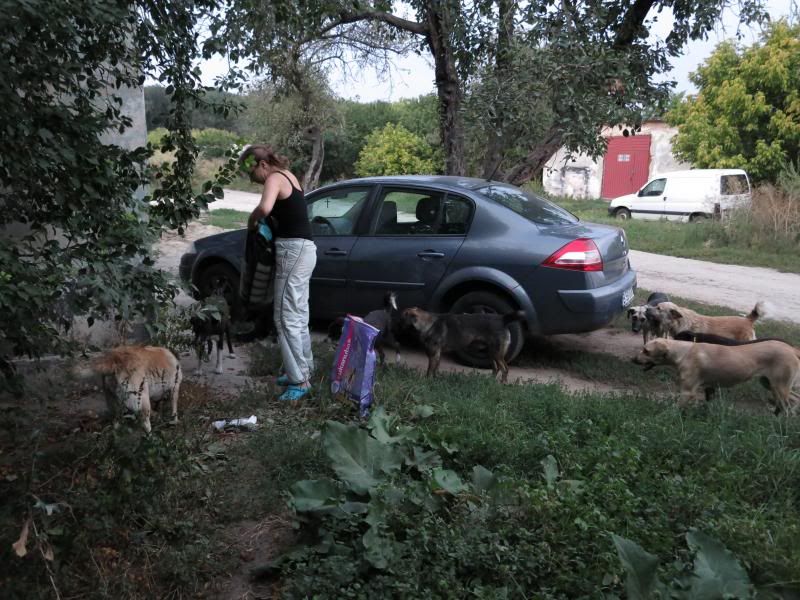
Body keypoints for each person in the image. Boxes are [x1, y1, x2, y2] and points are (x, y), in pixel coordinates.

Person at [240, 144, 316, 402]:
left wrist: (252, 221)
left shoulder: (274, 177)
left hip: (293, 251)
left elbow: (264, 208)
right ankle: (304, 369)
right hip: (305, 250)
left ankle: (300, 381)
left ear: (262, 165)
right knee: (299, 313)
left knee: (285, 317)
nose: (255, 181)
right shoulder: (289, 175)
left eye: (253, 175)